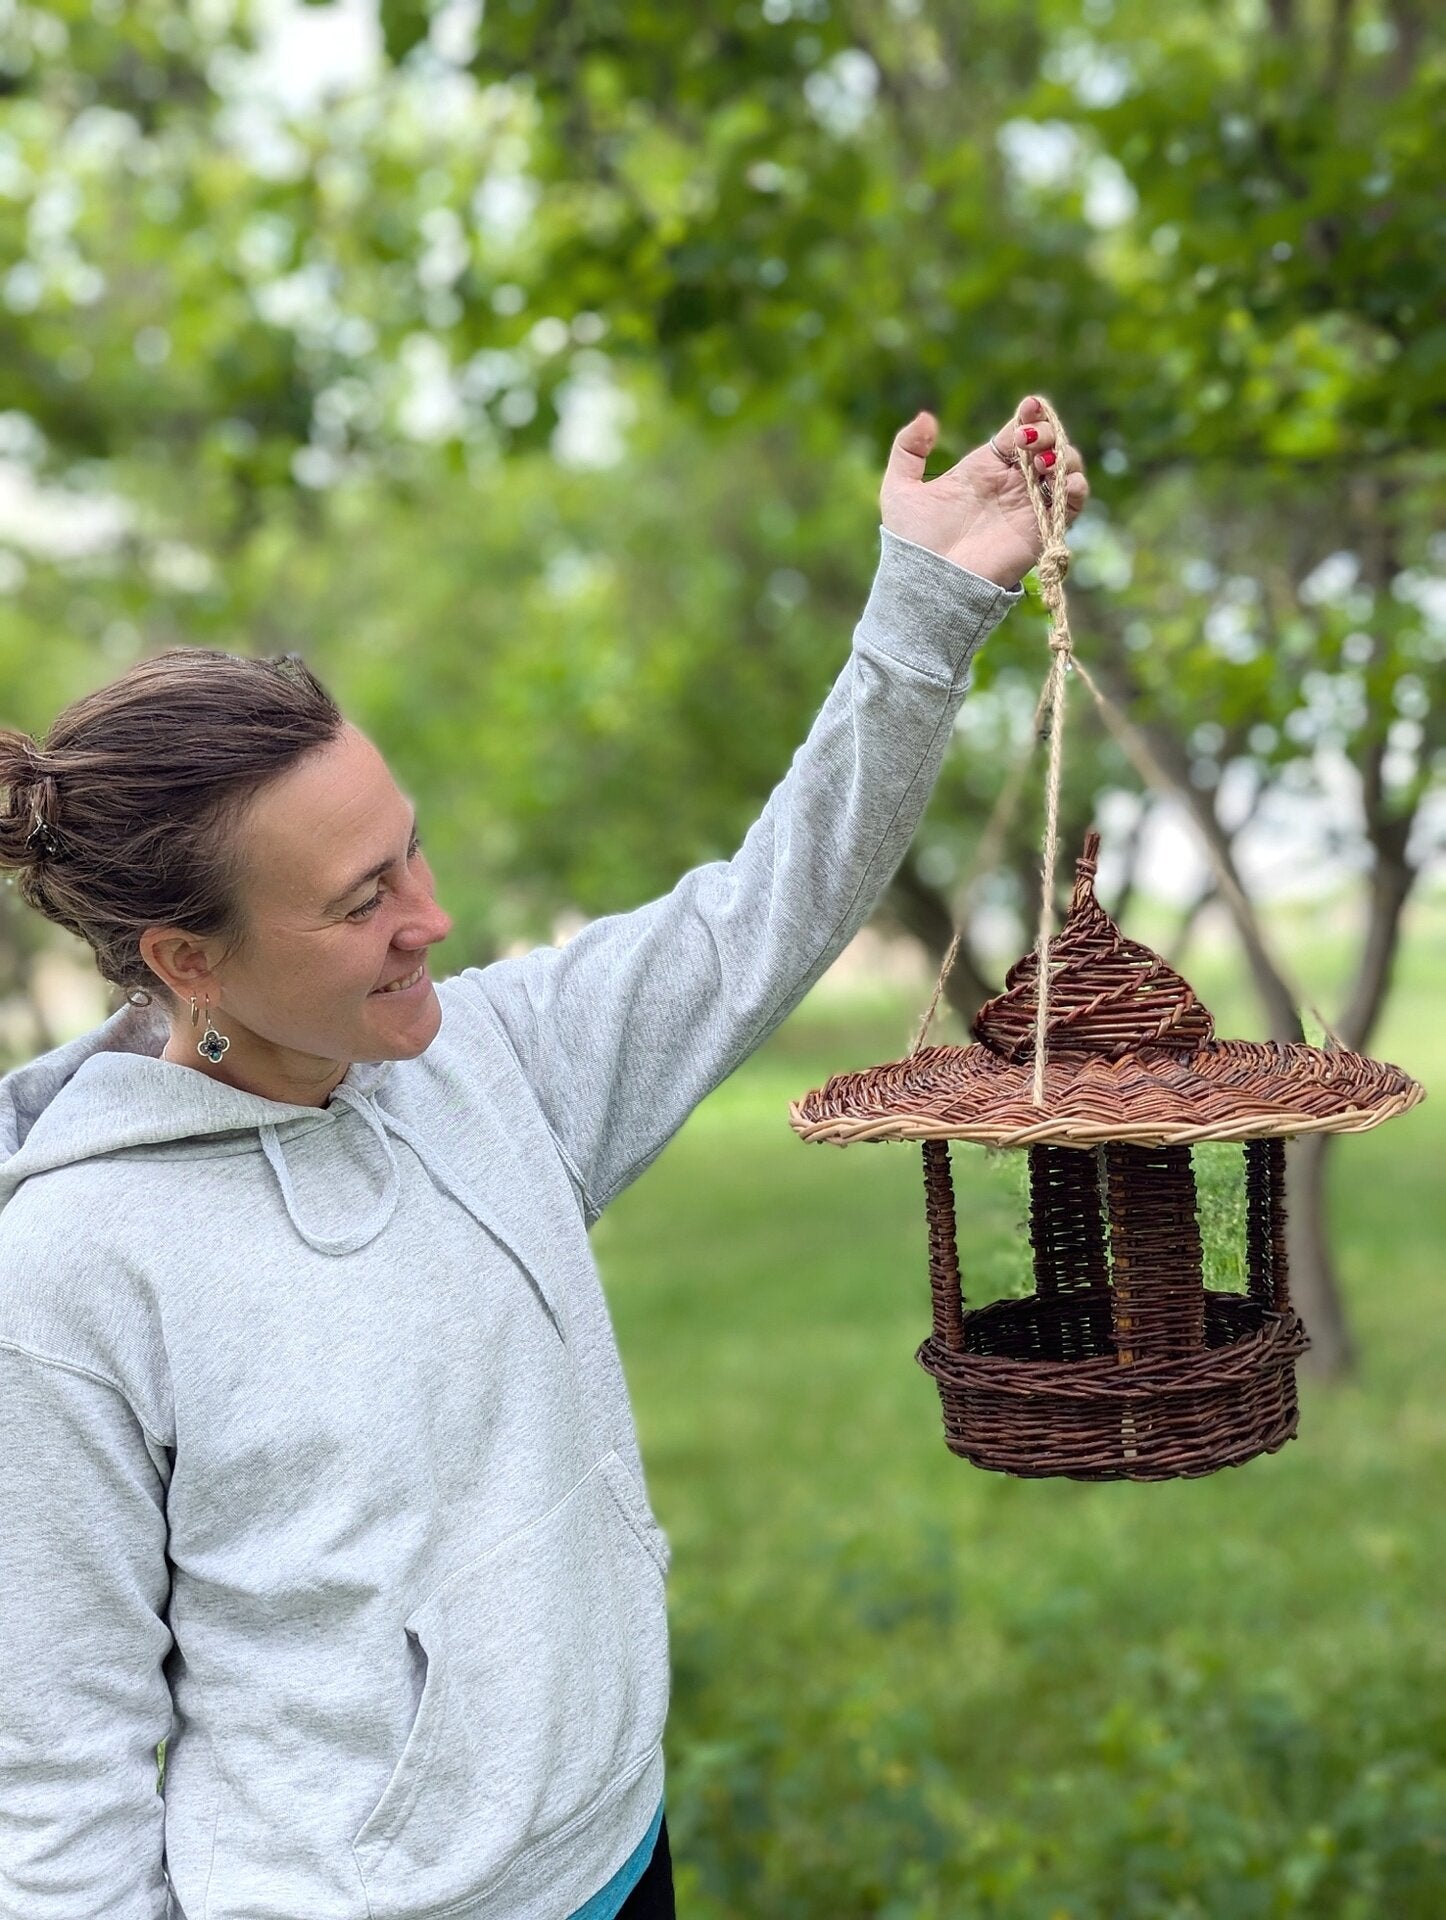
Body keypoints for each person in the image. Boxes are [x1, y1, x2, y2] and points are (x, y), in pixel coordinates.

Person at [0, 401, 1086, 1920]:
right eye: (359, 897)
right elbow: (56, 1766)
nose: (428, 917)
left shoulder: (481, 1061)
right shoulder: (70, 1271)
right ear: (188, 957)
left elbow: (760, 909)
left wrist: (925, 607)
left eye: (415, 850)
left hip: (617, 1852)